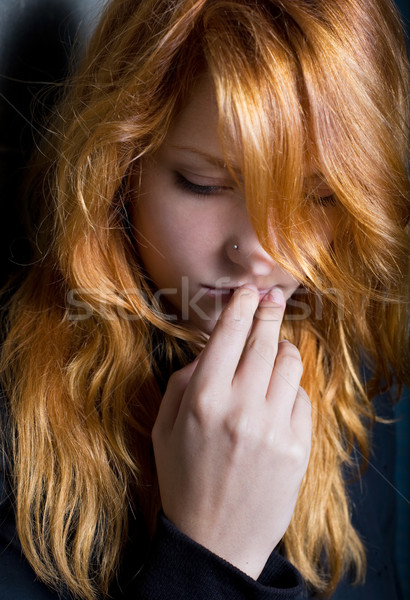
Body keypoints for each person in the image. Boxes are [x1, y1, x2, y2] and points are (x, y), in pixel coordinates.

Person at [0, 0, 408, 598]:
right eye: (206, 184)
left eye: (319, 197)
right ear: (120, 164)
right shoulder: (16, 418)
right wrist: (210, 555)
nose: (264, 253)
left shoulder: (359, 378)